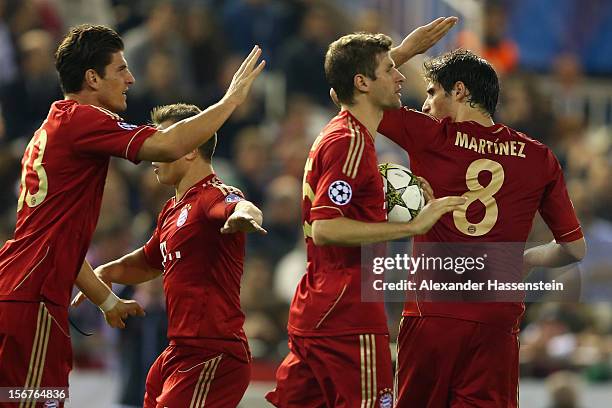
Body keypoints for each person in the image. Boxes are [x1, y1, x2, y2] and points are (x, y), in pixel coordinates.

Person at [0, 24, 264, 399]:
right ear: (92, 78)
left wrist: (106, 299)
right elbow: (168, 144)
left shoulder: (52, 128)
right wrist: (231, 101)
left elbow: (59, 243)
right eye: (121, 69)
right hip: (34, 297)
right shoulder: (82, 119)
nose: (131, 78)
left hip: (22, 289)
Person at [266, 22, 464, 408]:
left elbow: (350, 84)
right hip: (349, 314)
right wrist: (412, 225)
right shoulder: (351, 143)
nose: (400, 75)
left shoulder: (341, 131)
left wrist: (403, 51)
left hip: (318, 310)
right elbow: (326, 227)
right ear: (362, 83)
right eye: (391, 69)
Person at [377, 46, 586, 406]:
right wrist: (527, 258)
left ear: (458, 91)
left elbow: (356, 96)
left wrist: (403, 49)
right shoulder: (539, 156)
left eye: (431, 93)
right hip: (497, 321)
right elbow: (574, 248)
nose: (425, 105)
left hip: (433, 315)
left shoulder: (430, 135)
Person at [73, 103, 267, 408]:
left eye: (165, 138)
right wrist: (104, 273)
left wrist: (244, 217)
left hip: (214, 353)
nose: (153, 153)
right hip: (178, 351)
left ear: (189, 148)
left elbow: (241, 204)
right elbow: (149, 262)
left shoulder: (211, 195)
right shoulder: (171, 209)